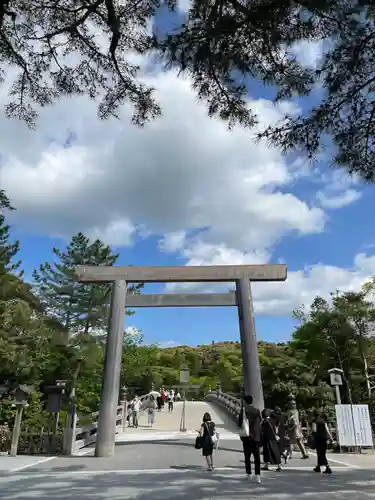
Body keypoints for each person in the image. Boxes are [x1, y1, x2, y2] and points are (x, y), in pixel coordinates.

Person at [238, 394, 262, 483]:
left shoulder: (243, 410)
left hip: (246, 437)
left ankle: (249, 474)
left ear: (245, 401)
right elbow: (260, 422)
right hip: (255, 437)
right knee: (257, 457)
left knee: (247, 457)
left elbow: (240, 423)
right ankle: (258, 476)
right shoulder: (257, 411)